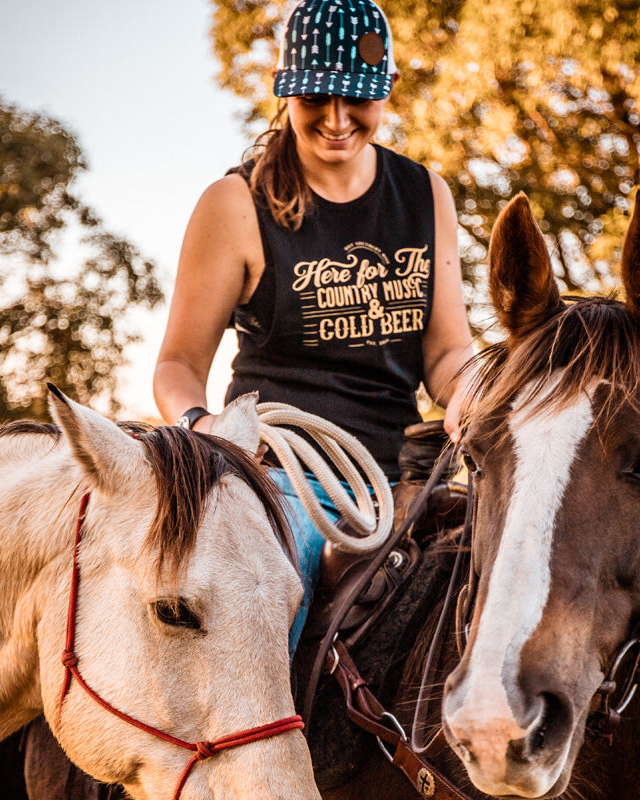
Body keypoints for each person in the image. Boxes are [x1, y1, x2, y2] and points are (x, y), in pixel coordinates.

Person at [153, 0, 475, 652]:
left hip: (401, 477)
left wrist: (474, 392)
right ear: (286, 90)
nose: (335, 119)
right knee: (273, 616)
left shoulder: (423, 194)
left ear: (384, 93)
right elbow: (177, 366)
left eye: (355, 99)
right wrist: (201, 425)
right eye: (315, 98)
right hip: (280, 480)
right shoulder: (235, 204)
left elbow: (447, 353)